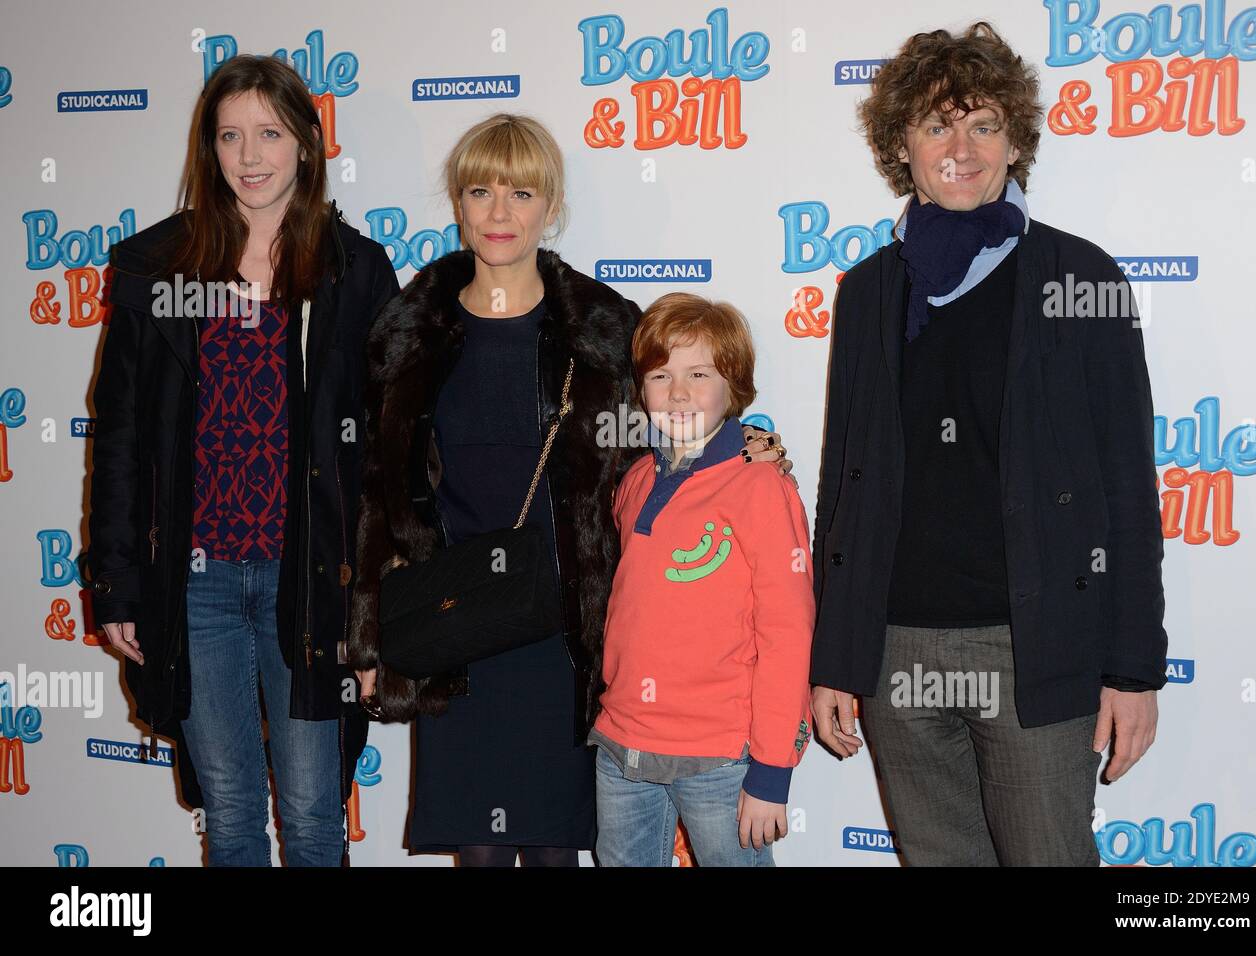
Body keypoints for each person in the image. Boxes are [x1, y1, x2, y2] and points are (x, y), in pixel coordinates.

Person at [347, 113, 790, 867]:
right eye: (481, 190)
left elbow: (668, 429)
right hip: (457, 624)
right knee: (480, 855)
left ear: (550, 206)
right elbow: (378, 492)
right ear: (457, 201)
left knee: (556, 850)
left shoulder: (606, 329)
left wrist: (744, 445)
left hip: (563, 634)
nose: (499, 213)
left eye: (521, 193)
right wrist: (369, 635)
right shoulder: (411, 330)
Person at [808, 22, 1167, 866]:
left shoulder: (1080, 277)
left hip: (1034, 647)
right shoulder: (869, 291)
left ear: (1015, 140)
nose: (959, 148)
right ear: (904, 144)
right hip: (899, 650)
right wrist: (836, 653)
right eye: (936, 125)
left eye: (982, 124)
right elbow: (845, 485)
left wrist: (1135, 669)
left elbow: (1126, 485)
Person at [88, 54, 399, 866]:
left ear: (306, 143)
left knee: (311, 810)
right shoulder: (156, 269)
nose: (251, 156)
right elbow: (120, 435)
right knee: (228, 810)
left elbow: (387, 456)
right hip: (196, 585)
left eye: (269, 133)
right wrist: (116, 580)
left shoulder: (354, 270)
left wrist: (374, 600)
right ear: (208, 147)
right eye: (231, 136)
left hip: (308, 584)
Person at [590, 293, 814, 867]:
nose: (680, 392)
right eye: (661, 376)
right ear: (641, 389)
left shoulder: (762, 485)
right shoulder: (636, 478)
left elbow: (787, 634)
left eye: (699, 374)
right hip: (622, 743)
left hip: (720, 754)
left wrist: (770, 770)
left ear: (733, 384)